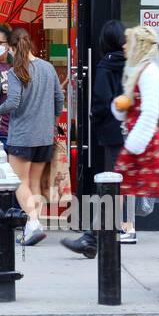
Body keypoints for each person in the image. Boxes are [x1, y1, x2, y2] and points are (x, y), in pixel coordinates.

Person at [113, 25, 159, 276]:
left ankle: (92, 237)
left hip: (140, 140)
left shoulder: (149, 72)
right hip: (140, 139)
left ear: (139, 45)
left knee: (115, 184)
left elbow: (151, 111)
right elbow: (131, 107)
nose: (124, 46)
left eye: (128, 42)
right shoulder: (138, 71)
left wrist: (133, 144)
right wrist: (119, 107)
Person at [62, 20, 126, 258]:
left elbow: (100, 100)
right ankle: (100, 234)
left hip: (113, 131)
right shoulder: (136, 64)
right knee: (120, 184)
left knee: (112, 185)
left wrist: (95, 120)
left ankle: (94, 237)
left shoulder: (106, 65)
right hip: (134, 130)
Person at [0, 26, 64, 246]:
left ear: (13, 47)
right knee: (35, 183)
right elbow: (59, 99)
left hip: (23, 135)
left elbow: (14, 102)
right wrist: (51, 121)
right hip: (44, 136)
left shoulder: (16, 71)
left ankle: (33, 222)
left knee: (18, 182)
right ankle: (33, 227)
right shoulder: (47, 68)